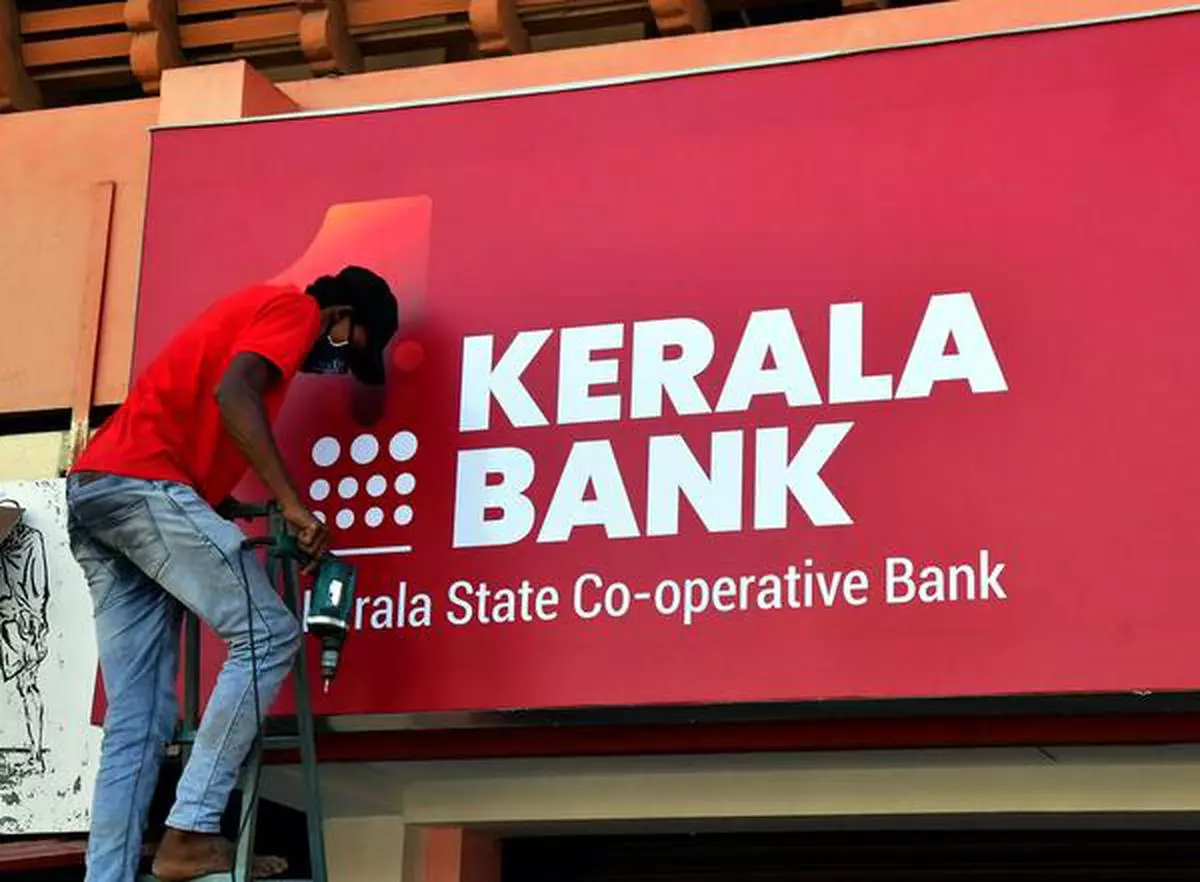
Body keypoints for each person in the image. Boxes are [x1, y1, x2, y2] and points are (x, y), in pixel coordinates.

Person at [67, 266, 399, 882]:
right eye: (349, 348)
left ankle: (106, 875)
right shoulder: (296, 310)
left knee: (139, 717)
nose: (336, 365)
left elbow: (200, 411)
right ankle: (190, 831)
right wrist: (294, 505)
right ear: (338, 316)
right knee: (269, 634)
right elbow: (234, 394)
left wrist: (221, 506)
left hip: (96, 494)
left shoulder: (246, 309)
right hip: (143, 488)